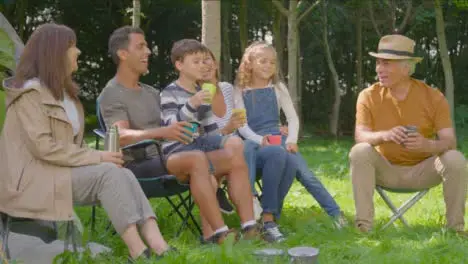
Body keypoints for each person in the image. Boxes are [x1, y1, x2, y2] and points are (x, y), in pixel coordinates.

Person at [0, 23, 172, 263]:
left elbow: (68, 148)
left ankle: (159, 245)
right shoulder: (30, 95)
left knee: (123, 174)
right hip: (33, 180)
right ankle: (138, 252)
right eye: (72, 46)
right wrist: (97, 156)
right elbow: (44, 147)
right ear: (55, 52)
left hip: (59, 173)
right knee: (108, 174)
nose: (78, 52)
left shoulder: (66, 96)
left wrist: (99, 159)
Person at [99, 28, 258, 244]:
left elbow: (192, 126)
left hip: (175, 154)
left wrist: (224, 130)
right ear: (123, 54)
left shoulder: (152, 92)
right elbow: (120, 136)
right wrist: (163, 132)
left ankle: (247, 227)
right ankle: (220, 233)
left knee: (234, 153)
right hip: (141, 162)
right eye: (141, 46)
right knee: (197, 159)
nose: (148, 51)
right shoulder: (112, 93)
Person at [349, 34, 467, 234]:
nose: (379, 69)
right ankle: (363, 228)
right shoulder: (368, 96)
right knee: (359, 151)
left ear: (406, 68)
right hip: (384, 169)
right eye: (378, 63)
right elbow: (360, 135)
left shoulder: (433, 97)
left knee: (455, 158)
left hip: (423, 171)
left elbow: (449, 141)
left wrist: (427, 145)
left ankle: (455, 230)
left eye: (386, 64)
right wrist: (385, 135)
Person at [233, 41, 348, 229]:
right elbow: (243, 126)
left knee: (305, 173)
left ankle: (336, 214)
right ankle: (253, 202)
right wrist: (260, 140)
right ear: (250, 63)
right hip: (252, 142)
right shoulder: (239, 90)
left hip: (277, 138)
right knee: (248, 150)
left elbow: (293, 119)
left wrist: (292, 140)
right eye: (263, 61)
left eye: (272, 62)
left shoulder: (278, 88)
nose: (268, 66)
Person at [160, 38, 262, 242]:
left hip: (199, 147)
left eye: (203, 61)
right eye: (195, 62)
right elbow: (173, 128)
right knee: (200, 156)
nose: (203, 65)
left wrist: (231, 139)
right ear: (179, 65)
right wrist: (191, 104)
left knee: (236, 148)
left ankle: (250, 226)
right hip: (176, 152)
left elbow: (210, 134)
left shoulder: (201, 92)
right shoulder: (169, 92)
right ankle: (219, 232)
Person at [200, 49, 296, 242]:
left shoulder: (228, 89)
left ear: (217, 63)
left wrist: (278, 128)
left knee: (281, 155)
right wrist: (227, 129)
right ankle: (251, 206)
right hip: (219, 153)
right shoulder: (195, 96)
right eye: (199, 62)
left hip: (243, 146)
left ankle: (268, 219)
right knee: (245, 146)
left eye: (209, 60)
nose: (207, 65)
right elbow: (199, 137)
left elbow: (243, 120)